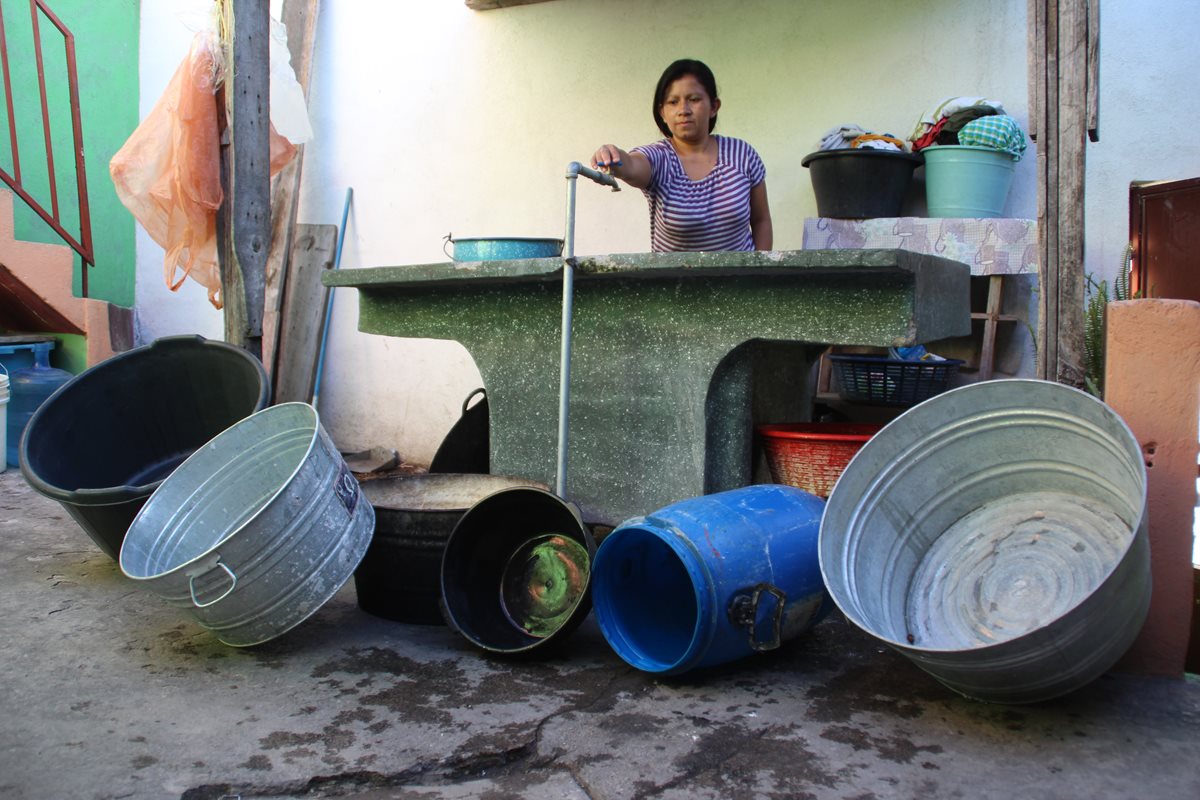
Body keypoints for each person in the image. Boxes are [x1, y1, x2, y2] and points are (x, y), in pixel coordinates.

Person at [591, 58, 772, 252]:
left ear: (713, 107)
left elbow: (761, 221)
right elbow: (632, 166)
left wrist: (759, 272)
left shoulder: (743, 155)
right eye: (673, 102)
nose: (683, 110)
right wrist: (614, 156)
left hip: (740, 280)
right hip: (674, 281)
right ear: (662, 112)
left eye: (694, 100)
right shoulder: (659, 158)